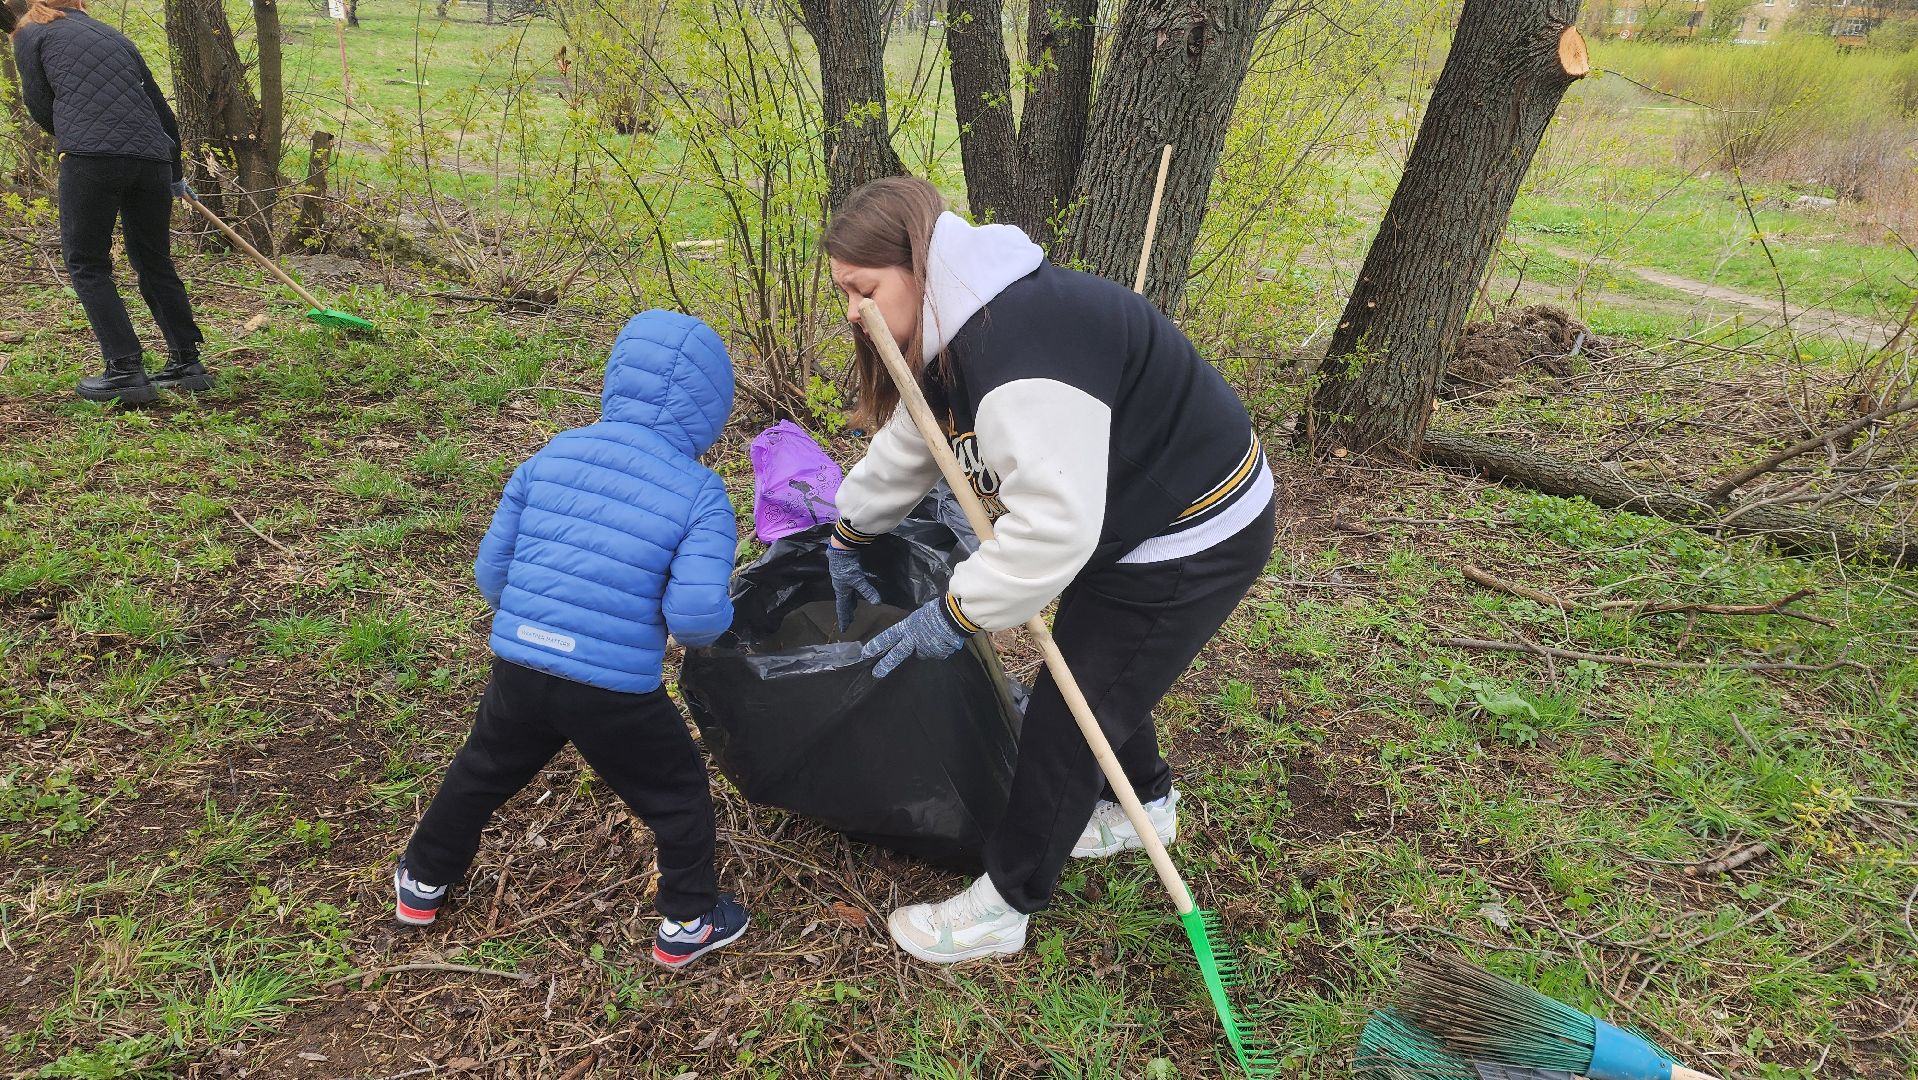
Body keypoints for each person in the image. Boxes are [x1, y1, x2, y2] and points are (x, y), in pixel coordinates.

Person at [823, 177, 1276, 964]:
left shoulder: (1019, 350)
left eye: (862, 290)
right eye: (843, 295)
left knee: (1070, 715)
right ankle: (1149, 804)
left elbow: (1054, 532)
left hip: (1192, 528)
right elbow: (915, 438)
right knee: (1104, 672)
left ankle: (1005, 904)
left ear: (918, 264)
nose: (852, 313)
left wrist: (956, 611)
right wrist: (850, 532)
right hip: (1123, 517)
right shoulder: (945, 329)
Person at [395, 310, 750, 970]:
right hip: (614, 691)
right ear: (712, 409)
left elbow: (491, 575)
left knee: (481, 769)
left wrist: (542, 624)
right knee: (676, 793)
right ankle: (689, 919)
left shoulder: (551, 454)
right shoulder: (700, 493)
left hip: (522, 667)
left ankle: (421, 881)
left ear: (616, 379)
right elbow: (697, 618)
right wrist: (723, 622)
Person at [9, 0, 210, 404]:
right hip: (152, 158)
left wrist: (74, 132)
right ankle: (187, 364)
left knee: (87, 263)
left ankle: (125, 370)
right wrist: (173, 172)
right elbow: (162, 112)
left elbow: (39, 105)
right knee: (154, 259)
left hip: (91, 158)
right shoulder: (113, 36)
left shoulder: (31, 32)